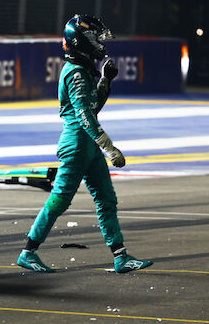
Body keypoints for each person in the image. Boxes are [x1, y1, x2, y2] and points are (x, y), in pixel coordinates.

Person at [17, 14, 153, 274]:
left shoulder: (82, 69)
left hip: (86, 144)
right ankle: (28, 252)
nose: (100, 44)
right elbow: (85, 115)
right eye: (94, 38)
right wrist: (109, 148)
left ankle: (120, 257)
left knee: (106, 199)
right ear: (81, 41)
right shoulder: (76, 73)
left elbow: (92, 107)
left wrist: (105, 81)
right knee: (60, 199)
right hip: (78, 144)